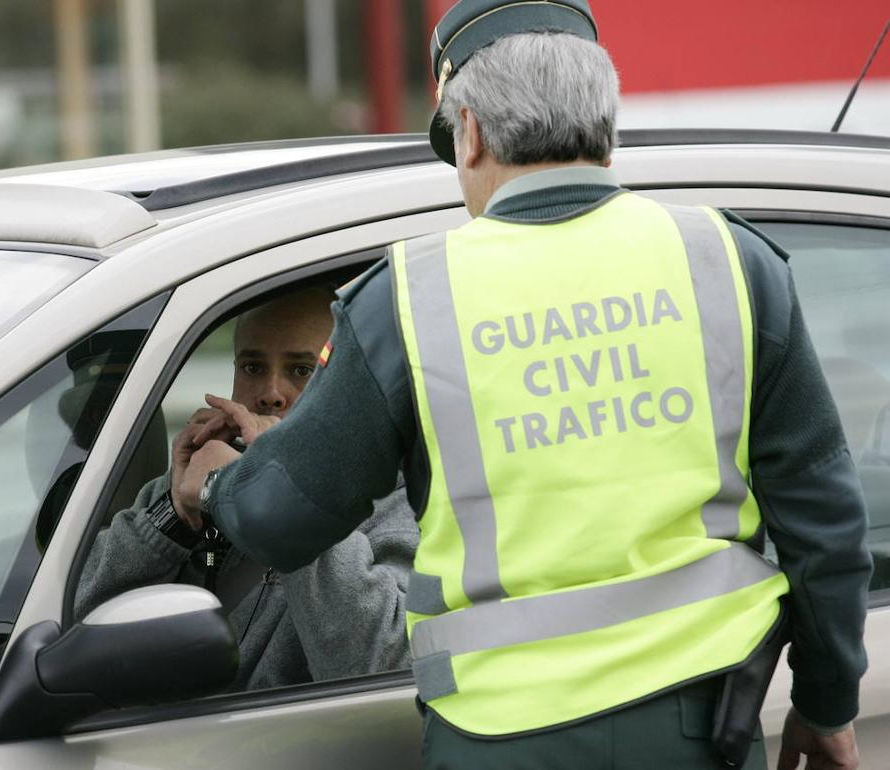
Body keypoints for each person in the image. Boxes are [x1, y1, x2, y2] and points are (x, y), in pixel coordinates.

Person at [174, 2, 872, 768]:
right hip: (700, 730)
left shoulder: (409, 300)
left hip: (499, 740)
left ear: (470, 132)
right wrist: (827, 701)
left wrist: (220, 485)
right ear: (604, 123)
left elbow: (280, 517)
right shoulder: (727, 263)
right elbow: (825, 523)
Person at [75, 286, 417, 691]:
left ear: (351, 382)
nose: (271, 393)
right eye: (253, 367)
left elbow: (380, 667)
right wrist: (175, 516)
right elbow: (69, 627)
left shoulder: (402, 502)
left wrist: (281, 494)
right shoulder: (199, 477)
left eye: (302, 370)